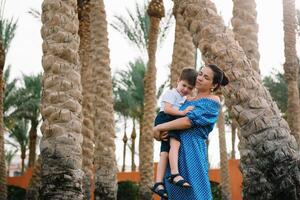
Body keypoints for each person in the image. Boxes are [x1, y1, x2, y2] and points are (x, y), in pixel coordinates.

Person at [153, 64, 229, 200]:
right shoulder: (185, 100)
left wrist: (159, 128)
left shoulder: (213, 101)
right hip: (174, 156)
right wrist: (158, 134)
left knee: (197, 193)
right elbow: (168, 117)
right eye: (200, 74)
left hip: (192, 152)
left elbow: (188, 122)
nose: (199, 78)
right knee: (175, 194)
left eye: (206, 77)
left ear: (214, 84)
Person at [150, 67, 198, 199]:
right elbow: (167, 109)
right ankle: (175, 173)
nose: (185, 89)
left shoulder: (183, 97)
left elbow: (190, 100)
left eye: (189, 88)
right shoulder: (171, 93)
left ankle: (158, 183)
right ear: (178, 81)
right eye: (183, 85)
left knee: (164, 153)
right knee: (175, 145)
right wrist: (182, 113)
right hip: (165, 118)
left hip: (167, 120)